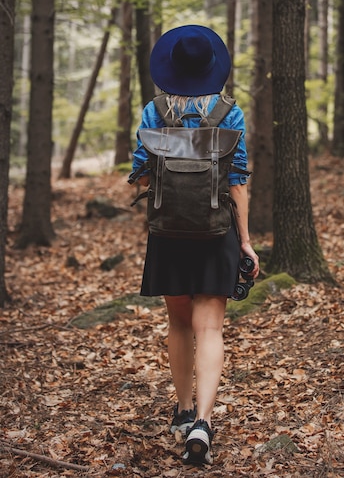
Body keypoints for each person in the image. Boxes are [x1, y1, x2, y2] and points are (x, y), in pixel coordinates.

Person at [130, 24, 259, 466]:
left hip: (167, 233)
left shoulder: (154, 111)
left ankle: (182, 410)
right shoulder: (229, 114)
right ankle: (203, 420)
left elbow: (142, 175)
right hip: (216, 230)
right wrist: (245, 242)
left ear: (172, 66)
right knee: (210, 327)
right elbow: (238, 183)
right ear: (212, 68)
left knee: (178, 321)